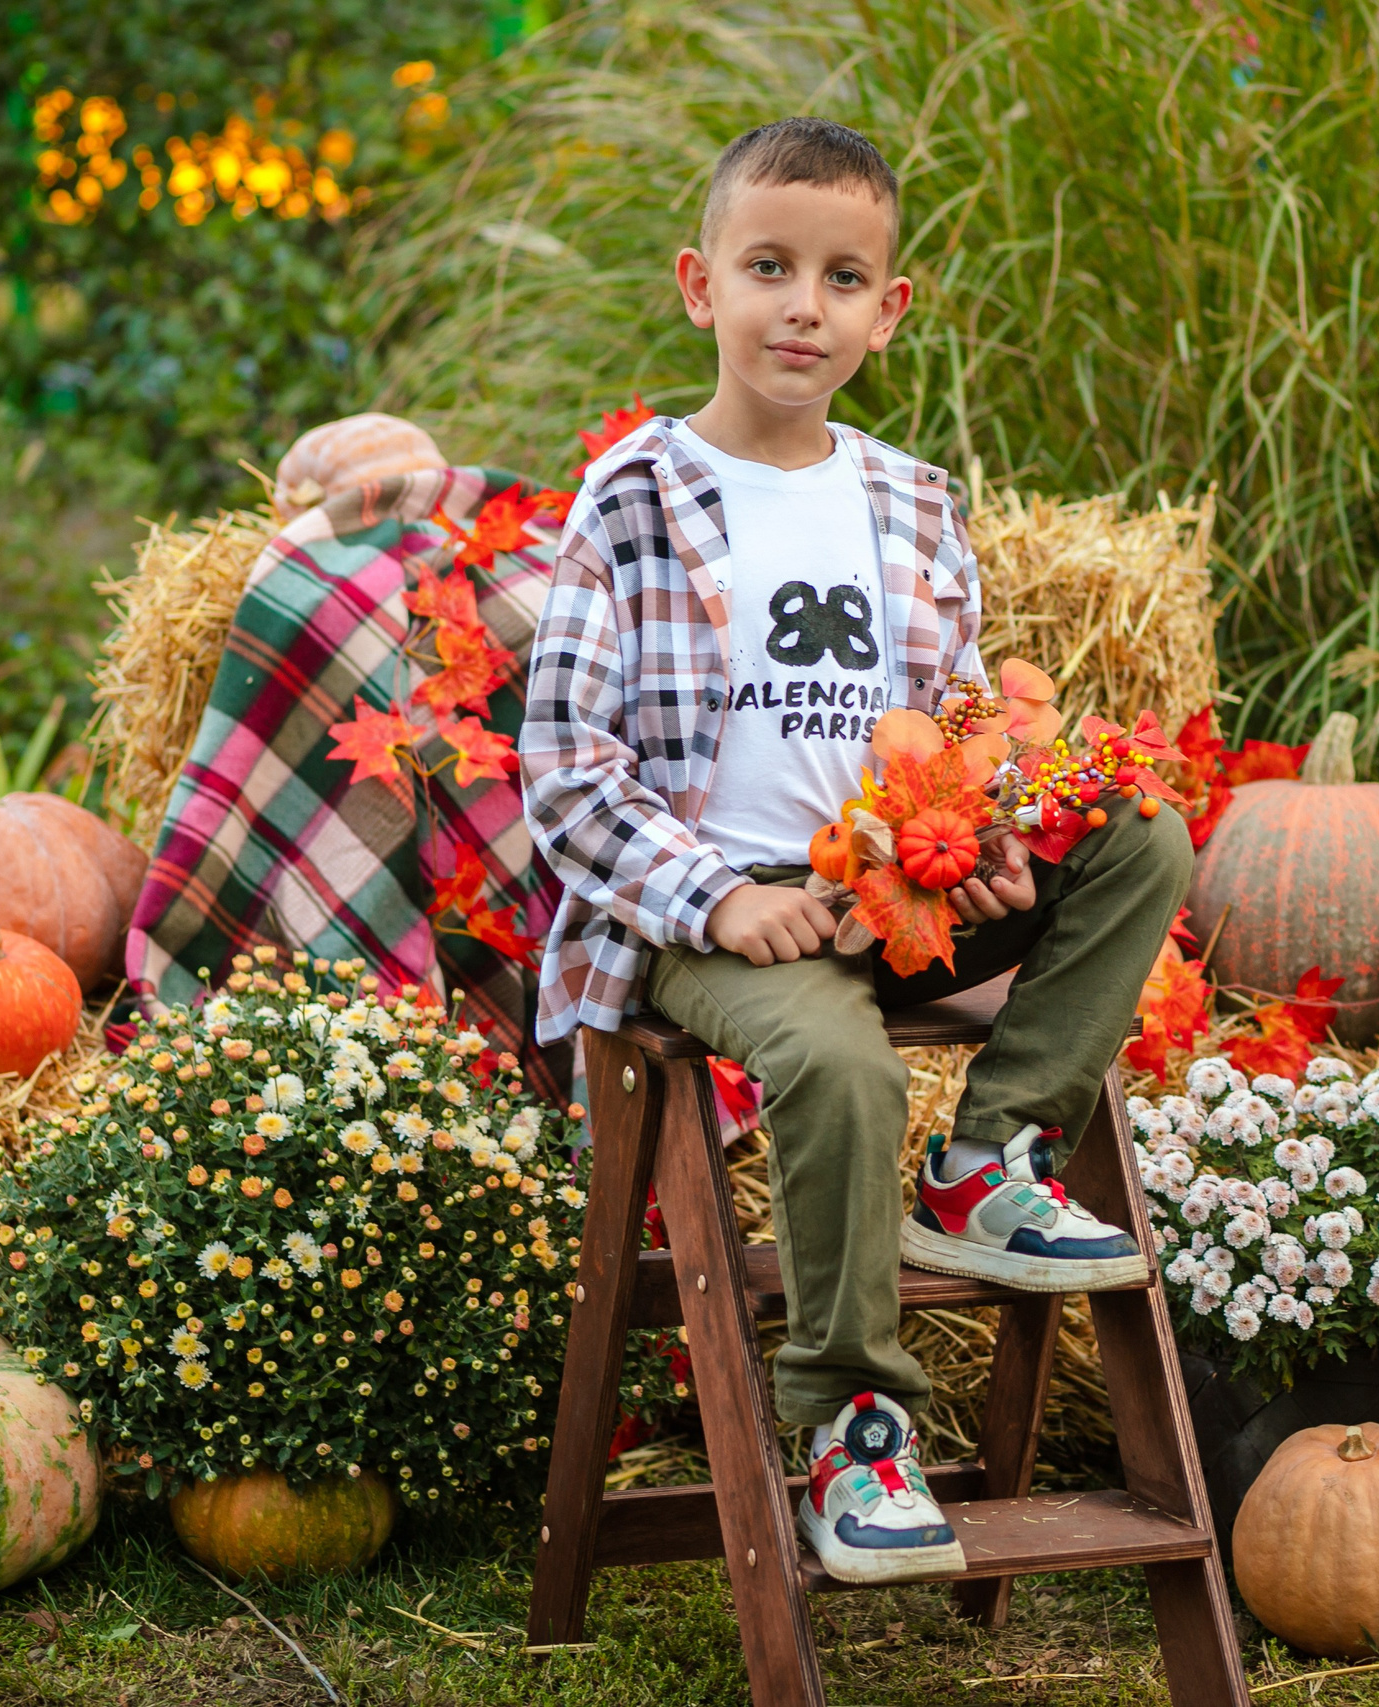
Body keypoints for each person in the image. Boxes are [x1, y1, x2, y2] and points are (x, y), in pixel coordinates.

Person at [519, 117, 1190, 1585]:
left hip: (892, 895)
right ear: (701, 285)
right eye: (769, 267)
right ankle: (853, 1430)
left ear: (891, 311)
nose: (801, 305)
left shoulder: (910, 499)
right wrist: (724, 897)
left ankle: (991, 1152)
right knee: (839, 1066)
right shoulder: (636, 497)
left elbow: (951, 723)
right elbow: (566, 775)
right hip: (718, 925)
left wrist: (994, 840)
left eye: (840, 277)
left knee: (1141, 832)